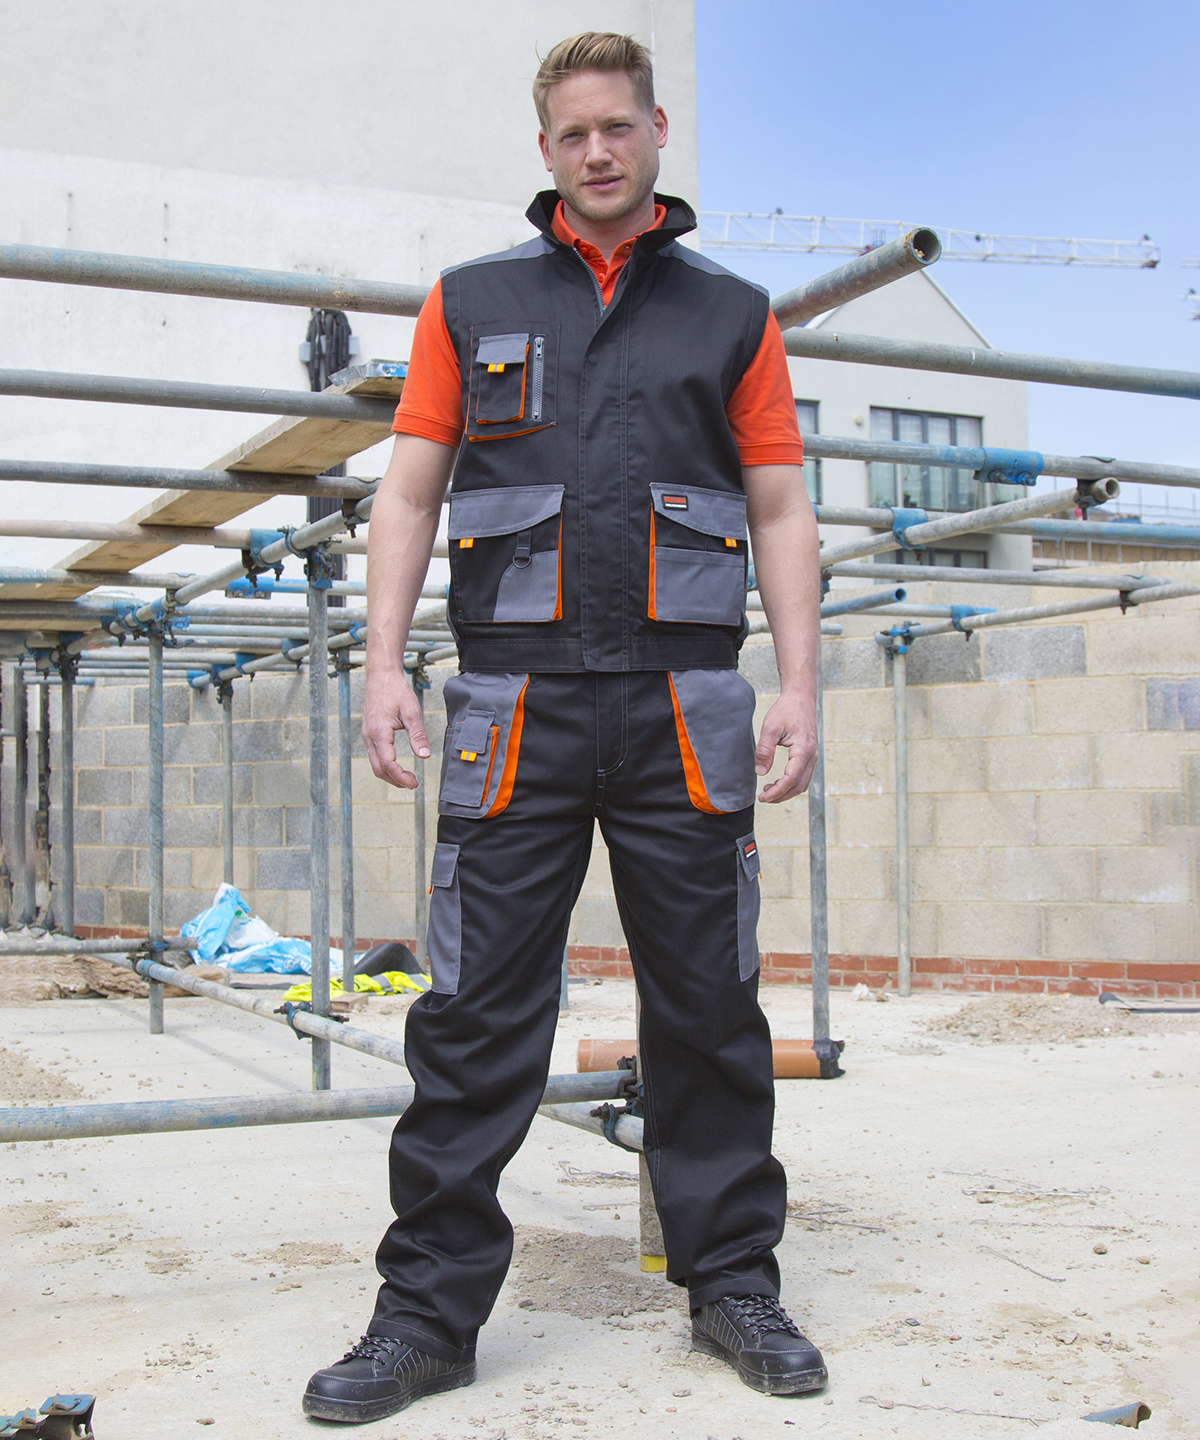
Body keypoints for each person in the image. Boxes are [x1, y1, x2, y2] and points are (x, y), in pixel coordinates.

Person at [303, 31, 825, 1424]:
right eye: (573, 133)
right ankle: (427, 1318)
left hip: (685, 701)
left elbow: (781, 507)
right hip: (512, 702)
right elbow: (409, 492)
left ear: (657, 133)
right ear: (545, 150)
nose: (598, 151)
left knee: (708, 1006)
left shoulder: (733, 316)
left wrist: (799, 685)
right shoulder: (471, 301)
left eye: (618, 127)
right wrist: (383, 666)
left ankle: (734, 1283)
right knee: (474, 1014)